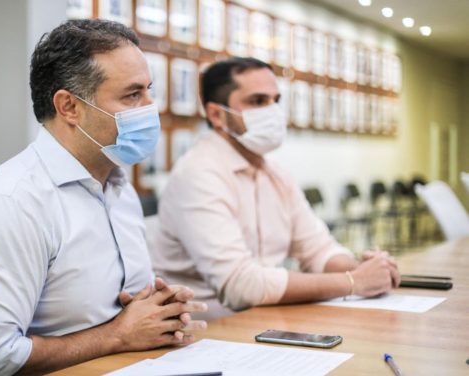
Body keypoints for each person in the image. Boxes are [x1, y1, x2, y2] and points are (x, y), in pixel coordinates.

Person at [0, 19, 207, 375]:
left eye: (149, 90)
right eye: (133, 95)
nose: (151, 107)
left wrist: (159, 313)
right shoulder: (9, 204)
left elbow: (120, 313)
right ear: (69, 107)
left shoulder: (116, 185)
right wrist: (118, 335)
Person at [152, 57, 400, 320]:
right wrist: (354, 282)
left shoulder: (274, 173)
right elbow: (240, 286)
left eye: (276, 100)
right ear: (216, 114)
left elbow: (317, 249)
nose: (272, 111)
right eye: (258, 101)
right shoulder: (198, 174)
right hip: (209, 331)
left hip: (265, 318)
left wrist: (367, 269)